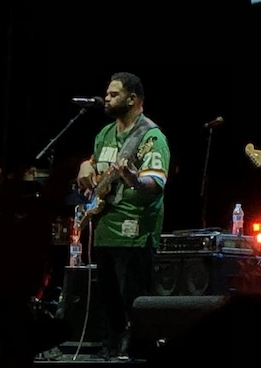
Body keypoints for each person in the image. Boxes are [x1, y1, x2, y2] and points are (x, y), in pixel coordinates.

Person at [74, 72, 170, 360]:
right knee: (108, 296)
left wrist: (131, 178)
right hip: (104, 227)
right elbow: (95, 166)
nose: (107, 98)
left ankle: (135, 346)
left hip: (135, 230)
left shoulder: (151, 137)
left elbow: (154, 184)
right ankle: (112, 341)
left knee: (133, 297)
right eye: (107, 93)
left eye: (114, 94)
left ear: (133, 99)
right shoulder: (104, 134)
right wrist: (84, 167)